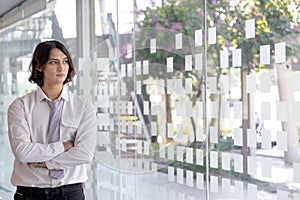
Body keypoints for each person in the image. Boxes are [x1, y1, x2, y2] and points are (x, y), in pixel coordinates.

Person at [7, 40, 97, 200]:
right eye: (53, 62)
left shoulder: (83, 107)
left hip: (70, 192)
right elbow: (23, 152)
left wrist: (45, 163)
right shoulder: (20, 106)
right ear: (39, 67)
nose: (61, 67)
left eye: (65, 61)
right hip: (30, 193)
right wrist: (64, 146)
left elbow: (84, 153)